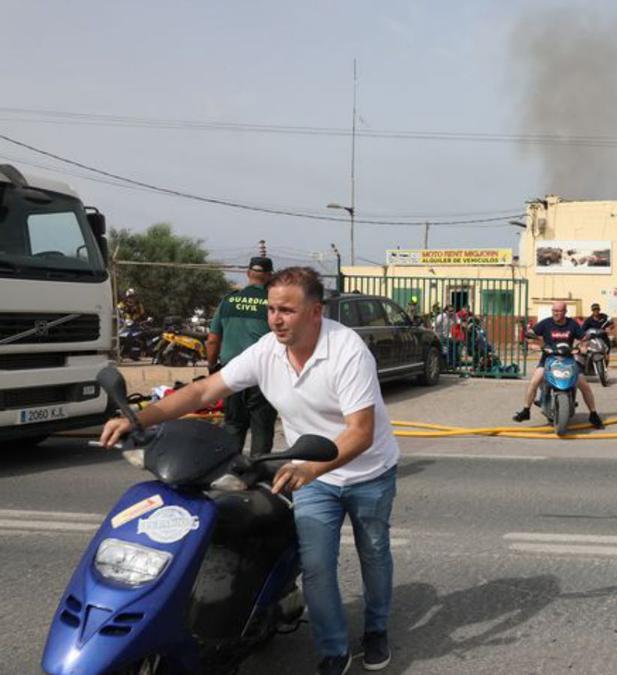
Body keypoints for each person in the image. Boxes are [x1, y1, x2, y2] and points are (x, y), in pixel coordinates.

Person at [100, 266, 399, 675]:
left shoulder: (347, 351)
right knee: (316, 565)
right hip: (311, 471)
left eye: (287, 310)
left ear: (316, 311)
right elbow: (205, 390)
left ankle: (377, 629)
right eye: (272, 309)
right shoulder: (266, 351)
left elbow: (361, 432)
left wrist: (311, 468)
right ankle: (333, 649)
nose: (276, 318)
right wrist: (141, 419)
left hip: (367, 471)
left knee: (374, 553)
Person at [207, 256, 278, 457]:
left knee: (234, 423)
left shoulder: (228, 301)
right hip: (263, 373)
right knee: (262, 425)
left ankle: (229, 468)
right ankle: (257, 473)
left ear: (248, 274)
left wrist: (212, 367)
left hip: (231, 371)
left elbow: (212, 340)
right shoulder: (272, 304)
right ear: (269, 276)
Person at [512, 301, 604, 428]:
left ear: (565, 312)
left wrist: (584, 345)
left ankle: (593, 414)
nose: (555, 313)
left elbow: (583, 337)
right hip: (548, 359)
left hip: (568, 359)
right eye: (554, 310)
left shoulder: (572, 324)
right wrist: (534, 343)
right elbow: (531, 334)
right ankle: (526, 410)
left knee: (584, 385)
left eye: (559, 311)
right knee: (534, 381)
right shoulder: (546, 323)